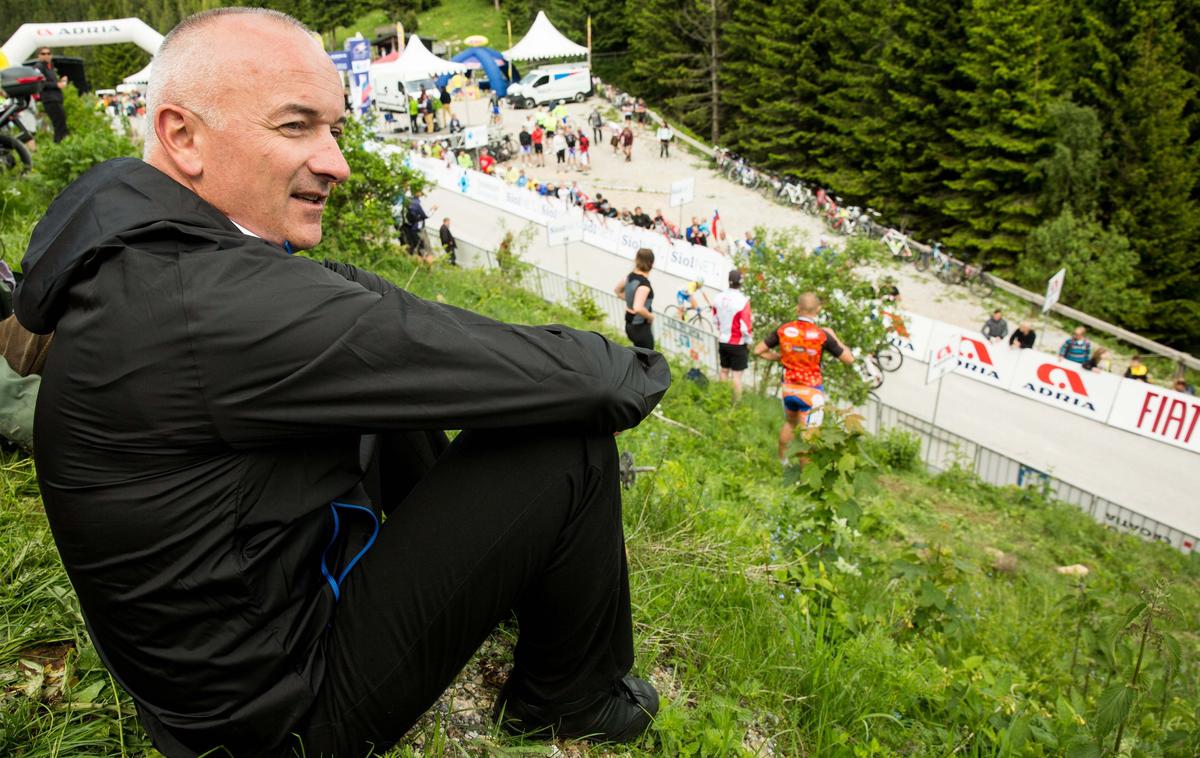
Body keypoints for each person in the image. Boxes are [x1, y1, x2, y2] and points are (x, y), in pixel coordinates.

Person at [15, 8, 669, 758]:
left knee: (396, 386)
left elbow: (362, 312)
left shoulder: (133, 236)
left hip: (202, 672)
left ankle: (506, 582)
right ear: (182, 136)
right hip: (279, 721)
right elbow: (595, 383)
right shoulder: (216, 310)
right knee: (569, 443)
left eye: (331, 128)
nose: (336, 162)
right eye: (297, 127)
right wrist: (642, 365)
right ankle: (572, 703)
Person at [754, 292, 854, 465]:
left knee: (790, 423)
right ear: (818, 310)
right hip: (811, 392)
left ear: (797, 308)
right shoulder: (822, 335)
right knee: (809, 437)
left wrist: (781, 357)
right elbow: (849, 359)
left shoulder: (784, 329)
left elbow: (758, 351)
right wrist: (834, 336)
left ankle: (783, 462)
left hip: (789, 389)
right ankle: (804, 478)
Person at [712, 269, 753, 401]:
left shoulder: (718, 297)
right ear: (741, 283)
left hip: (723, 339)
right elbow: (746, 326)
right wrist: (749, 342)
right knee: (736, 376)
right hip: (737, 343)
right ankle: (737, 404)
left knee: (724, 371)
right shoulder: (743, 301)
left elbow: (715, 319)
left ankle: (721, 398)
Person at [615, 248, 655, 349]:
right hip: (639, 327)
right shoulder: (644, 285)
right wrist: (650, 316)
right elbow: (638, 308)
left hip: (630, 324)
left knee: (637, 354)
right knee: (647, 358)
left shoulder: (629, 277)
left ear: (636, 260)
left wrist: (630, 300)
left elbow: (617, 290)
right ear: (651, 263)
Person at [32, 47, 70, 143]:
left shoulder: (50, 67)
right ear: (39, 56)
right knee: (59, 125)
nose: (46, 56)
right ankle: (59, 144)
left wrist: (61, 81)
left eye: (48, 53)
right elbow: (40, 83)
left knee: (62, 123)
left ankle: (61, 143)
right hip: (49, 99)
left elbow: (50, 82)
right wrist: (57, 84)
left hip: (56, 98)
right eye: (43, 54)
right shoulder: (39, 67)